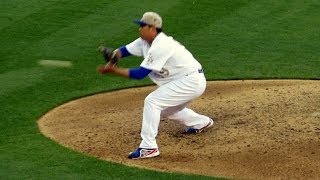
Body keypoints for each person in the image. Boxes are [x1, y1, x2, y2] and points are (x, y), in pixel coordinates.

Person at [97, 12, 213, 159]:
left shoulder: (162, 45)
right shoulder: (144, 41)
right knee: (164, 110)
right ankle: (201, 122)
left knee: (152, 101)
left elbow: (140, 74)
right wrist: (114, 55)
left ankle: (148, 147)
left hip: (190, 81)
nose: (139, 29)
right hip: (181, 81)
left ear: (152, 28)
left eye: (142, 26)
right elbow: (124, 51)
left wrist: (113, 70)